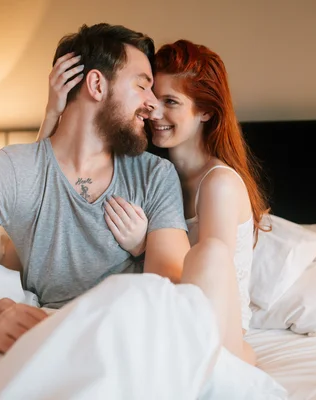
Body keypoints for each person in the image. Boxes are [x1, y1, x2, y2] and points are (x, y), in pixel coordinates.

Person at [0, 23, 191, 362]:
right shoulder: (12, 170)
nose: (152, 103)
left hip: (127, 341)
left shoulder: (155, 175)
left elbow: (167, 292)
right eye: (143, 86)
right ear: (97, 84)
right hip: (46, 342)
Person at [36, 39, 270, 366]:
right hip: (168, 311)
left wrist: (145, 245)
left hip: (221, 325)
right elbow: (52, 175)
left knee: (209, 252)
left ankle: (230, 368)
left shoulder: (218, 183)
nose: (154, 111)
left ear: (205, 111)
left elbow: (210, 279)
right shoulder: (151, 170)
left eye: (171, 102)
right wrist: (53, 111)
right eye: (152, 97)